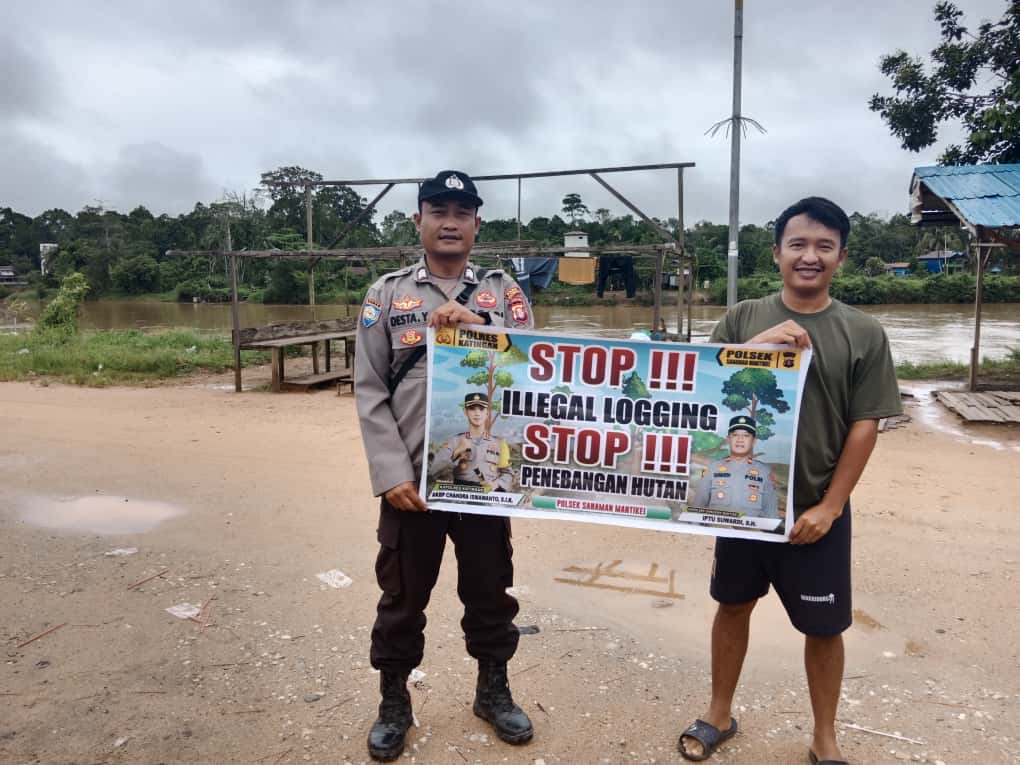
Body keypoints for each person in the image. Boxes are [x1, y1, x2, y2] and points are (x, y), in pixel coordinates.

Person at [677, 197, 902, 765]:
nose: (810, 256)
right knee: (732, 606)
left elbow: (864, 426)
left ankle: (825, 737)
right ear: (776, 252)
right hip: (742, 506)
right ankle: (718, 714)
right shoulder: (742, 317)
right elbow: (700, 388)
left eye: (824, 246)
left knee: (824, 628)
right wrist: (757, 349)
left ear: (841, 257)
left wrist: (830, 506)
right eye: (797, 244)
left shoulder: (864, 332)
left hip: (814, 509)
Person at [354, 170, 535, 762]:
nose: (450, 220)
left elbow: (538, 365)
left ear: (478, 223)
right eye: (438, 210)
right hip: (412, 485)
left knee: (489, 589)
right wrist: (392, 474)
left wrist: (481, 327)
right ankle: (393, 703)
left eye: (462, 211)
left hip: (482, 478)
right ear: (419, 221)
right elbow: (369, 390)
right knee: (402, 597)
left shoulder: (503, 292)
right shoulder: (387, 295)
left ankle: (493, 690)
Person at [688, 415, 779, 520]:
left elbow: (771, 513)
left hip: (753, 533)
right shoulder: (713, 468)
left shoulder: (764, 472)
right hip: (719, 529)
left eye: (746, 436)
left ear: (754, 441)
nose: (740, 440)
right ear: (728, 439)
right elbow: (698, 506)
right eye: (735, 435)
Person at [430, 393, 514, 491]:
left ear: (487, 412)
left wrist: (496, 484)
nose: (477, 413)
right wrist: (457, 452)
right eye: (472, 408)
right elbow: (433, 471)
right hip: (459, 495)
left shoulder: (499, 443)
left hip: (489, 495)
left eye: (481, 409)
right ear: (465, 412)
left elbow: (508, 473)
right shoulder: (455, 441)